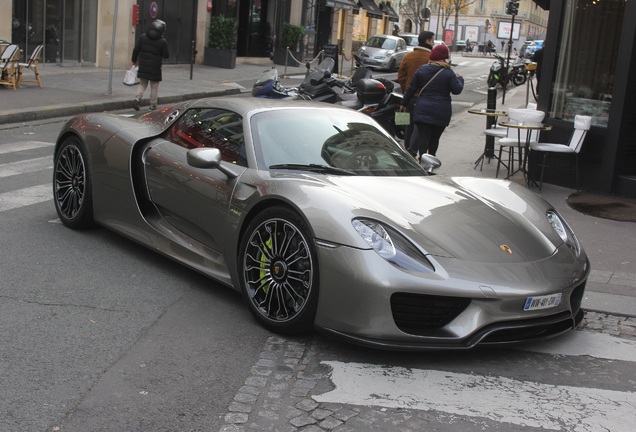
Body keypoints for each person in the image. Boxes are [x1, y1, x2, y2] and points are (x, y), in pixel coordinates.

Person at [401, 44, 464, 158]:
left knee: (423, 137)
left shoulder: (422, 70)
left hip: (423, 109)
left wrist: (404, 103)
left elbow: (411, 89)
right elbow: (457, 90)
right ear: (445, 57)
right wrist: (460, 79)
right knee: (435, 139)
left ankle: (423, 159)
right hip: (441, 112)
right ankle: (431, 160)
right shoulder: (449, 73)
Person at [397, 31, 435, 151]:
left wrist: (406, 90)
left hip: (410, 97)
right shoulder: (431, 58)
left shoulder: (408, 56)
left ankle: (407, 149)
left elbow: (401, 76)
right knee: (421, 127)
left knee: (408, 125)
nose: (433, 43)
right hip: (425, 98)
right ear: (427, 41)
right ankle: (416, 151)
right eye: (432, 40)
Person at [131, 19, 169, 111]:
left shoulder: (142, 37)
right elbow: (166, 55)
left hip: (144, 64)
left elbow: (136, 49)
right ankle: (153, 105)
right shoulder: (162, 41)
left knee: (142, 84)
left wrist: (134, 60)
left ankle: (137, 98)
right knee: (154, 86)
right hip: (155, 67)